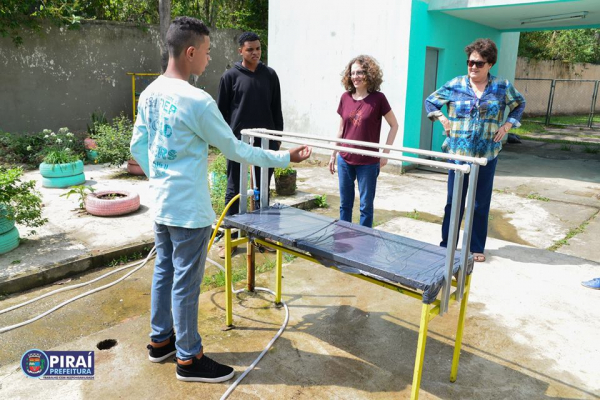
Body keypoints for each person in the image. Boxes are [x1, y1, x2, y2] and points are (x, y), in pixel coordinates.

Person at [130, 17, 311, 383]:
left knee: (165, 271)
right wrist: (283, 158)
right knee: (186, 282)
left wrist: (161, 178)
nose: (210, 60)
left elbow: (137, 146)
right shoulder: (197, 100)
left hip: (163, 203)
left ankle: (160, 340)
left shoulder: (149, 93)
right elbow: (235, 148)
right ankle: (189, 358)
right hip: (188, 210)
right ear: (191, 52)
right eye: (208, 52)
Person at [425, 38, 525, 263]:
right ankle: (447, 245)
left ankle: (476, 247)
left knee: (480, 202)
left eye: (479, 63)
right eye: (470, 62)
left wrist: (508, 125)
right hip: (458, 156)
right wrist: (442, 118)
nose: (473, 67)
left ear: (490, 64)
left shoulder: (502, 87)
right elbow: (431, 102)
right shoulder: (455, 85)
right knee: (454, 202)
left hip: (487, 155)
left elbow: (519, 104)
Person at [217, 31, 283, 258]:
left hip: (265, 145)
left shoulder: (270, 75)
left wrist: (276, 142)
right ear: (240, 51)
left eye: (258, 49)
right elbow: (222, 114)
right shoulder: (230, 77)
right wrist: (226, 142)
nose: (255, 53)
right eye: (250, 49)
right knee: (234, 190)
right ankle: (231, 239)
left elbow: (277, 110)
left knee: (263, 189)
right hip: (238, 144)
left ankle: (262, 236)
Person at [328, 55, 398, 228]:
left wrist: (385, 154)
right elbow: (341, 129)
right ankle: (343, 240)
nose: (355, 76)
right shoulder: (345, 97)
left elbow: (394, 125)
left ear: (369, 74)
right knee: (345, 204)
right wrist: (333, 154)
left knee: (366, 207)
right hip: (344, 158)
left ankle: (363, 244)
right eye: (352, 73)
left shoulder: (378, 99)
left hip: (368, 162)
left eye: (360, 72)